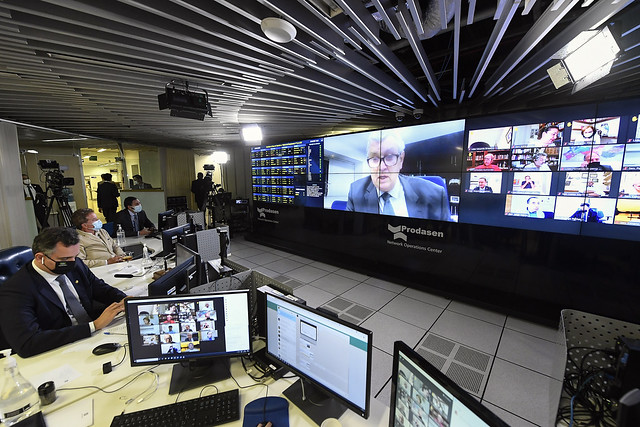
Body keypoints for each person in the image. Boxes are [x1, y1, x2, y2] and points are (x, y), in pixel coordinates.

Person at [0, 227, 127, 357]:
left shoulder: (74, 264)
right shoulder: (16, 290)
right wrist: (94, 326)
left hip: (92, 337)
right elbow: (27, 343)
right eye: (65, 259)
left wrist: (125, 300)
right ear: (40, 258)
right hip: (57, 350)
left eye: (75, 256)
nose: (72, 263)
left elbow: (99, 288)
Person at [346, 134, 450, 220]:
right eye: (374, 159)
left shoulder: (435, 194)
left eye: (389, 157)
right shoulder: (356, 192)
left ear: (401, 160)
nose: (381, 167)